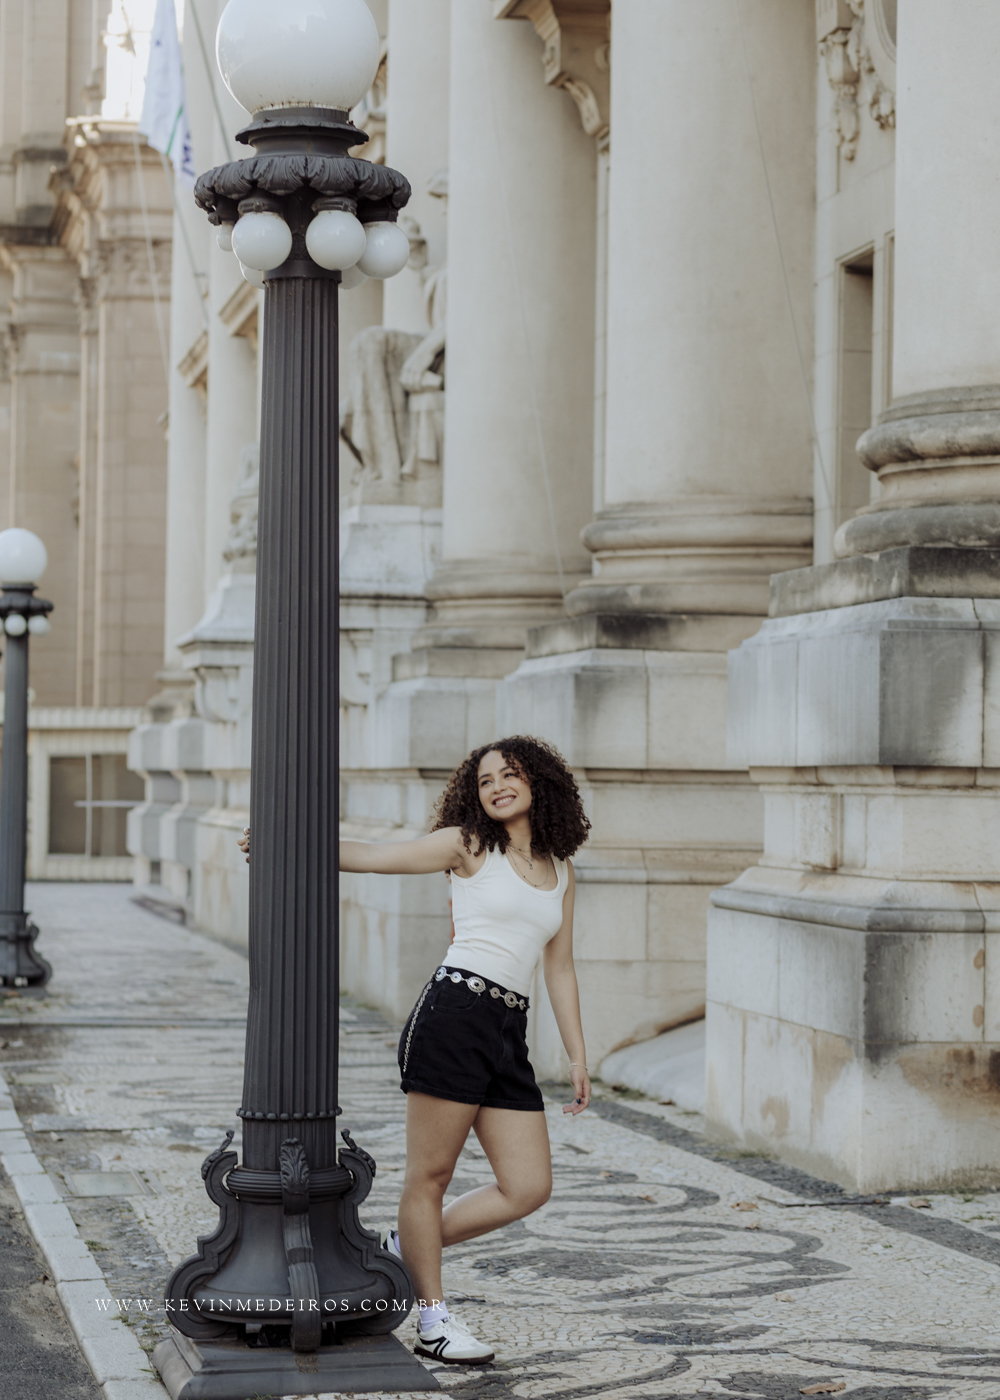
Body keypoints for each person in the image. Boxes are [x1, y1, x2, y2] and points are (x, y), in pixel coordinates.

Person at [239, 734, 592, 1366]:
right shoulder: (467, 844)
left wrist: (577, 1055)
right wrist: (285, 841)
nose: (497, 787)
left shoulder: (562, 870)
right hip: (454, 1014)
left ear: (539, 782)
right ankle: (432, 1318)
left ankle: (400, 1249)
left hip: (509, 1029)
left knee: (528, 1186)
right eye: (486, 780)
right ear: (474, 794)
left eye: (510, 775)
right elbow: (378, 856)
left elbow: (559, 969)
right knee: (431, 1175)